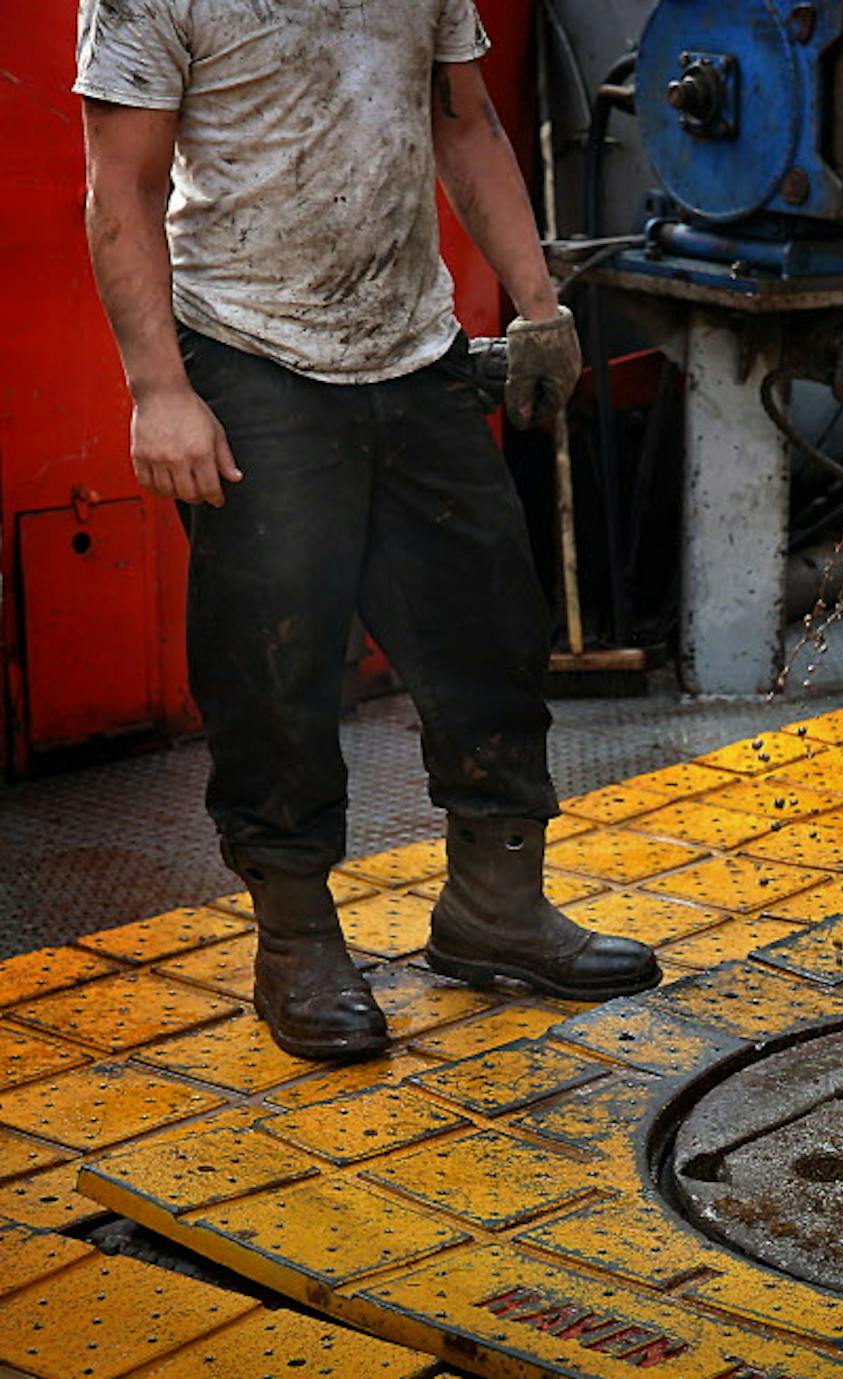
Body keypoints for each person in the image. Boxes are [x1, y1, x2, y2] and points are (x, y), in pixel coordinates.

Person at [75, 0, 660, 1060]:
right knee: (276, 664)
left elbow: (466, 122)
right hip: (251, 356)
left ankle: (495, 906)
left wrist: (537, 306)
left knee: (490, 629)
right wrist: (159, 390)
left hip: (414, 347)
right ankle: (295, 938)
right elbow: (122, 184)